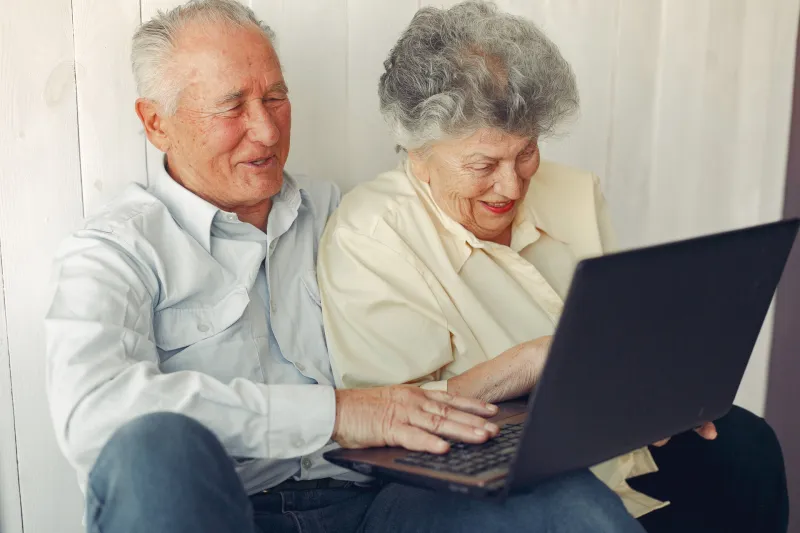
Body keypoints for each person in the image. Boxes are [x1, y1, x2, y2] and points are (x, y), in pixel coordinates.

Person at [44, 1, 648, 532]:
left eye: (275, 97)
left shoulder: (342, 213)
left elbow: (407, 399)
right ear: (156, 123)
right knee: (154, 449)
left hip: (375, 507)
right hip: (224, 510)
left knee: (569, 505)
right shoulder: (117, 250)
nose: (265, 127)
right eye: (232, 107)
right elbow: (93, 412)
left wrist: (548, 365)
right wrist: (333, 414)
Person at [317, 2, 789, 532]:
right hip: (457, 465)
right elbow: (385, 422)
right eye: (483, 165)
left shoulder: (573, 192)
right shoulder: (371, 232)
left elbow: (615, 333)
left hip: (592, 432)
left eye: (526, 153)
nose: (512, 186)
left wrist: (656, 392)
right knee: (576, 508)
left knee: (746, 447)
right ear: (416, 152)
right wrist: (528, 363)